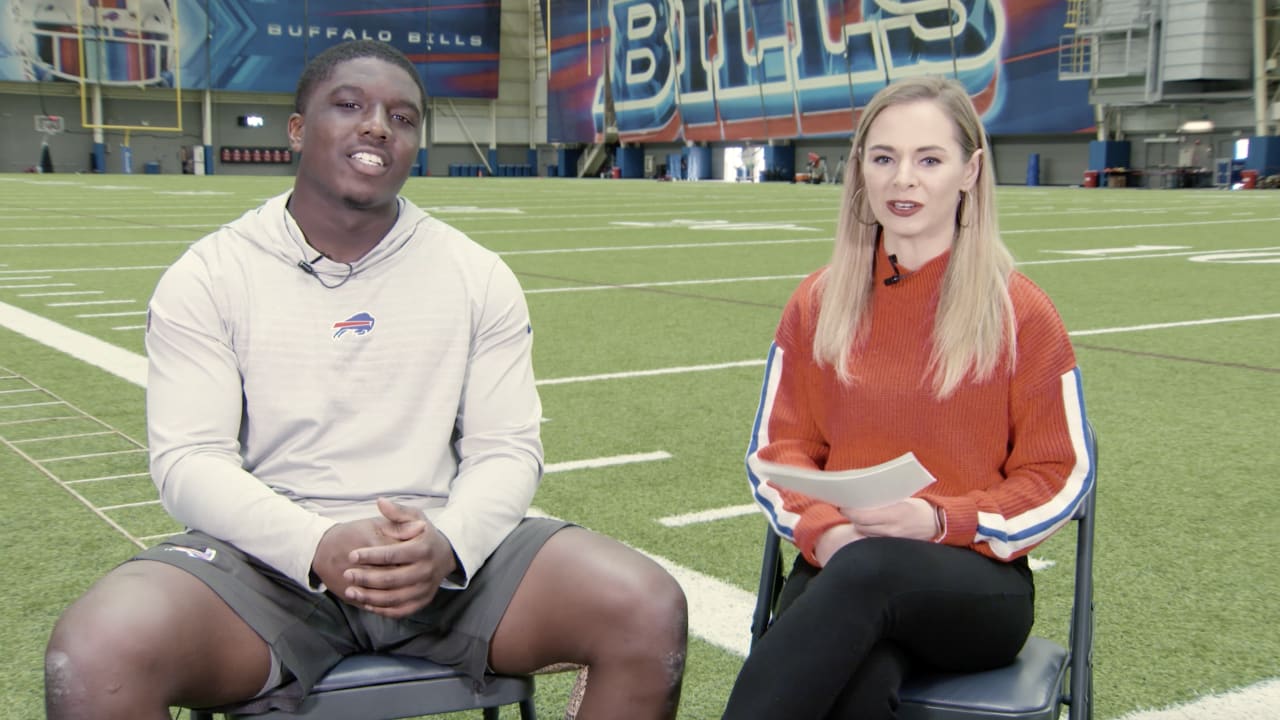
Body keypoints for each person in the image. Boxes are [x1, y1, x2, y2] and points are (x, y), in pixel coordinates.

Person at [45, 40, 687, 720]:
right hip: (268, 568)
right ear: (297, 129)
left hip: (445, 559)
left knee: (643, 607)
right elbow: (188, 460)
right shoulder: (211, 274)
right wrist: (313, 543)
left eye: (402, 117)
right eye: (349, 105)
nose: (378, 125)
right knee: (95, 652)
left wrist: (449, 542)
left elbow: (506, 449)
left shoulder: (476, 274)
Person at [722, 76, 1092, 719]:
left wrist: (943, 520)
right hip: (840, 559)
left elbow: (1060, 475)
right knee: (857, 681)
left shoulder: (1022, 313)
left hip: (972, 583)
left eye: (929, 159)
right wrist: (827, 532)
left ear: (971, 171)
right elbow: (777, 452)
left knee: (865, 579)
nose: (904, 180)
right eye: (884, 158)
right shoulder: (818, 303)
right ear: (860, 170)